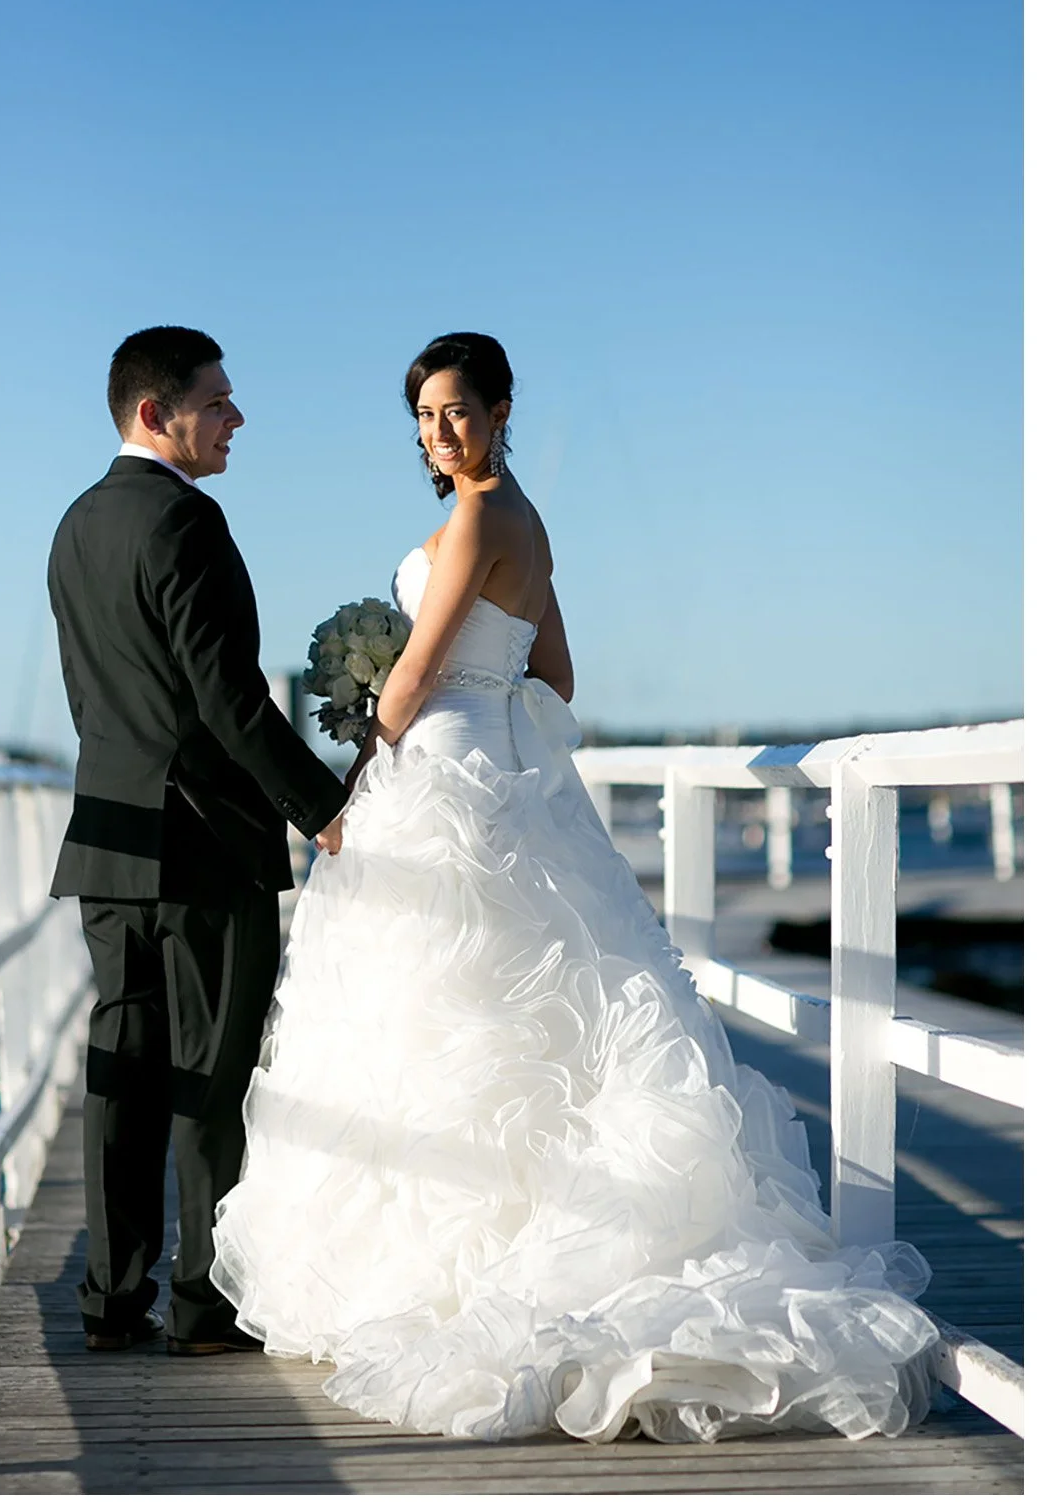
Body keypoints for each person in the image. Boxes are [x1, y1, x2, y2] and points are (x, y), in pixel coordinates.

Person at [211, 331, 939, 1443]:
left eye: (457, 411)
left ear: (501, 409)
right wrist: (485, 704)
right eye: (423, 417)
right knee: (518, 1011)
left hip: (442, 781)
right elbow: (556, 675)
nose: (438, 432)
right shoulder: (528, 521)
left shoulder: (475, 516)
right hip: (503, 773)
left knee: (440, 1015)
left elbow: (411, 672)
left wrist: (358, 769)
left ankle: (446, 1271)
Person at [48, 326, 347, 1356]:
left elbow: (91, 697)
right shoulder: (188, 522)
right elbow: (228, 699)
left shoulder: (74, 527)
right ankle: (204, 1305)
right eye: (216, 401)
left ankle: (109, 1297)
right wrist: (325, 806)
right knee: (210, 1083)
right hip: (203, 845)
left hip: (112, 835)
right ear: (153, 413)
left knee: (122, 1077)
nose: (236, 417)